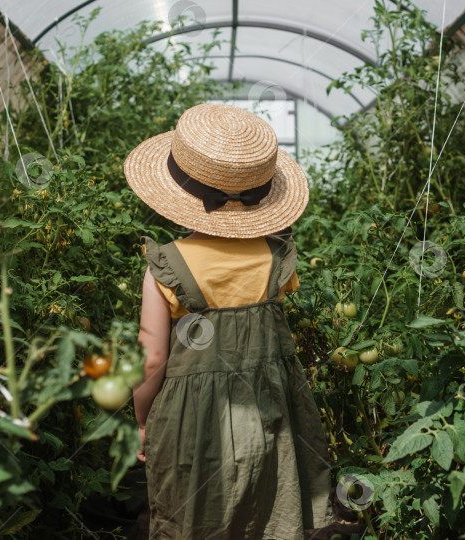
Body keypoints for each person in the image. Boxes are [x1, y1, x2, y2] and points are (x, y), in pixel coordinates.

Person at [124, 102, 333, 539]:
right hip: (271, 407)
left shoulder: (167, 265)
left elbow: (152, 355)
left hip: (192, 420)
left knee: (192, 514)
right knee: (273, 508)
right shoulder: (277, 258)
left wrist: (142, 419)